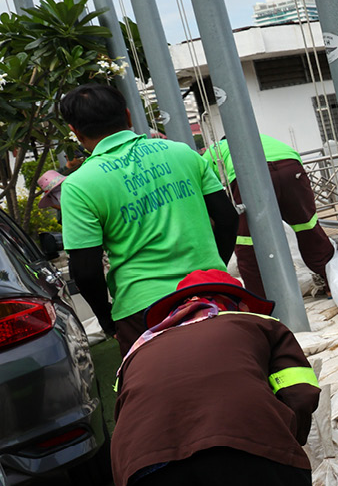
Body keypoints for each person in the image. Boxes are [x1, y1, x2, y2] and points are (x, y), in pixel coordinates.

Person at [110, 269, 338, 486]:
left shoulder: (137, 351)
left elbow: (130, 417)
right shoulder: (260, 324)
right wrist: (283, 451)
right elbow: (300, 393)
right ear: (237, 303)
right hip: (244, 440)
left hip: (147, 465)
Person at [57, 84, 237, 355]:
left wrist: (108, 320)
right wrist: (213, 269)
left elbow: (85, 270)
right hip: (213, 292)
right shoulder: (183, 153)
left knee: (159, 393)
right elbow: (226, 219)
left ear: (75, 131)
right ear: (128, 116)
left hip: (143, 311)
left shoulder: (79, 186)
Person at [208, 134, 334, 296]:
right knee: (309, 229)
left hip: (249, 176)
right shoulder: (262, 138)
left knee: (247, 242)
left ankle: (259, 300)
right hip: (291, 169)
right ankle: (333, 284)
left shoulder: (214, 150)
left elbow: (209, 188)